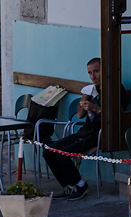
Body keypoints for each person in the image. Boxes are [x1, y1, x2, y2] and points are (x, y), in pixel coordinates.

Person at [44, 57, 104, 200]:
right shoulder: (92, 90)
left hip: (98, 134)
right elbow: (80, 114)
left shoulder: (112, 90)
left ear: (104, 70)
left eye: (96, 71)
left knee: (62, 154)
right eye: (90, 73)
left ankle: (81, 184)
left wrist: (95, 108)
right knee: (48, 151)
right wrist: (84, 98)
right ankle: (69, 186)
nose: (93, 76)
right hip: (84, 131)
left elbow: (114, 116)